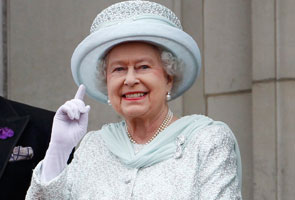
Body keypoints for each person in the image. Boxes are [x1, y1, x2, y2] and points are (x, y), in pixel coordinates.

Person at [26, 0, 242, 199]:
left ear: (169, 78)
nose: (130, 80)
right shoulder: (93, 146)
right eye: (119, 69)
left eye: (143, 67)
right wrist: (59, 151)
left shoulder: (207, 141)